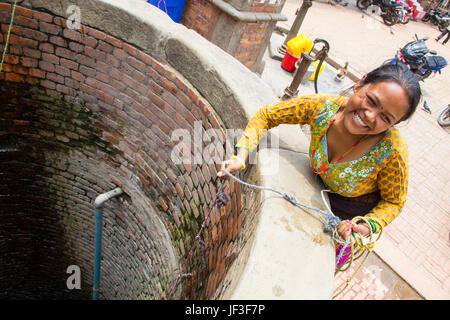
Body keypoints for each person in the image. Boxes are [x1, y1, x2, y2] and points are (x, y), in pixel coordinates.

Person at [218, 63, 421, 245]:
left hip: (349, 215)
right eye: (371, 100)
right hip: (315, 190)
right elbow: (266, 116)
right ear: (360, 83)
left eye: (385, 118)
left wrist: (367, 225)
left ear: (394, 124)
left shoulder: (392, 152)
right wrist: (241, 156)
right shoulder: (321, 108)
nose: (369, 116)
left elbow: (394, 202)